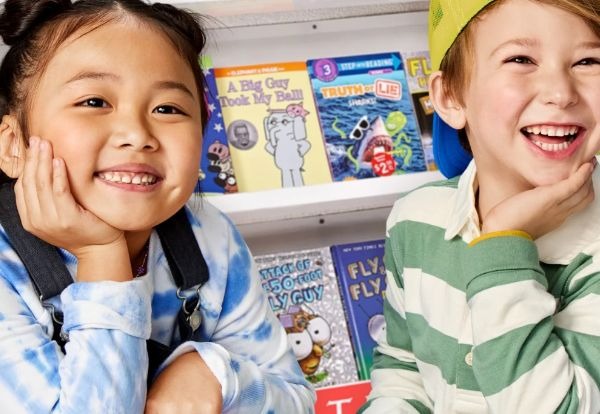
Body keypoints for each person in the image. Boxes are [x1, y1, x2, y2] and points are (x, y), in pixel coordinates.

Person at [0, 0, 315, 413]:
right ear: (12, 144)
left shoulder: (208, 236)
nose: (137, 134)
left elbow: (295, 400)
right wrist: (101, 255)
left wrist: (213, 373)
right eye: (94, 102)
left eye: (168, 108)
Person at [361, 0, 600, 412]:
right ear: (451, 97)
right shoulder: (415, 220)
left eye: (588, 61)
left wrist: (504, 243)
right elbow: (404, 370)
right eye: (521, 59)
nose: (561, 93)